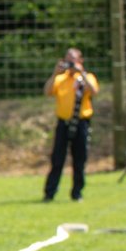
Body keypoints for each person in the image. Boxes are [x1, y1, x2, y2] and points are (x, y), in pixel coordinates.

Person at [43, 47, 98, 202]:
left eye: (72, 59)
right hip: (63, 123)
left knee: (79, 160)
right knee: (57, 159)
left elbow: (93, 91)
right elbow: (47, 92)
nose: (70, 63)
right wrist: (55, 73)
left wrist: (82, 72)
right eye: (67, 59)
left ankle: (77, 193)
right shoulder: (60, 79)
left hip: (81, 123)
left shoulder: (87, 77)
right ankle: (49, 193)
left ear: (80, 61)